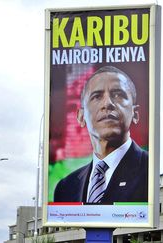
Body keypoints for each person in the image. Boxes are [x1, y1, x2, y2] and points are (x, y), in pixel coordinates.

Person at [54, 66, 148, 204]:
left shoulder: (149, 171)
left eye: (118, 95)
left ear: (135, 114)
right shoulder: (65, 187)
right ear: (81, 116)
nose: (107, 103)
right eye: (97, 96)